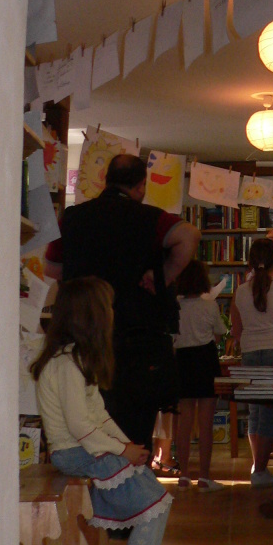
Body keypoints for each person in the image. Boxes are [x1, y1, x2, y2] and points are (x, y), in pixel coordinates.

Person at [31, 277, 188, 545]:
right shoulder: (66, 364)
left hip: (88, 449)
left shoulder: (77, 358)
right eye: (108, 308)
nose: (113, 314)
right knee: (149, 510)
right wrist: (121, 450)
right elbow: (79, 427)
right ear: (91, 316)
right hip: (76, 453)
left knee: (159, 502)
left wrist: (128, 446)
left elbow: (99, 415)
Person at [45, 153, 201, 452]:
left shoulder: (74, 218)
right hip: (137, 341)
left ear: (106, 180)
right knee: (134, 429)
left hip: (84, 335)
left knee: (87, 420)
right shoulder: (150, 218)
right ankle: (131, 476)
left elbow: (51, 267)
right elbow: (189, 235)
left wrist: (82, 277)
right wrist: (164, 275)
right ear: (141, 185)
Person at [230, 238, 273, 487]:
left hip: (250, 353)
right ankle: (259, 471)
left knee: (256, 410)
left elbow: (236, 331)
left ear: (250, 262)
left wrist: (252, 342)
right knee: (271, 412)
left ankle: (257, 465)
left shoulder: (239, 293)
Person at [172, 259, 225, 492]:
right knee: (206, 423)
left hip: (182, 362)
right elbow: (219, 334)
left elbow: (172, 338)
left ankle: (183, 474)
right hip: (205, 360)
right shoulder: (209, 305)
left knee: (184, 422)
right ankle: (204, 476)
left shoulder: (175, 306)